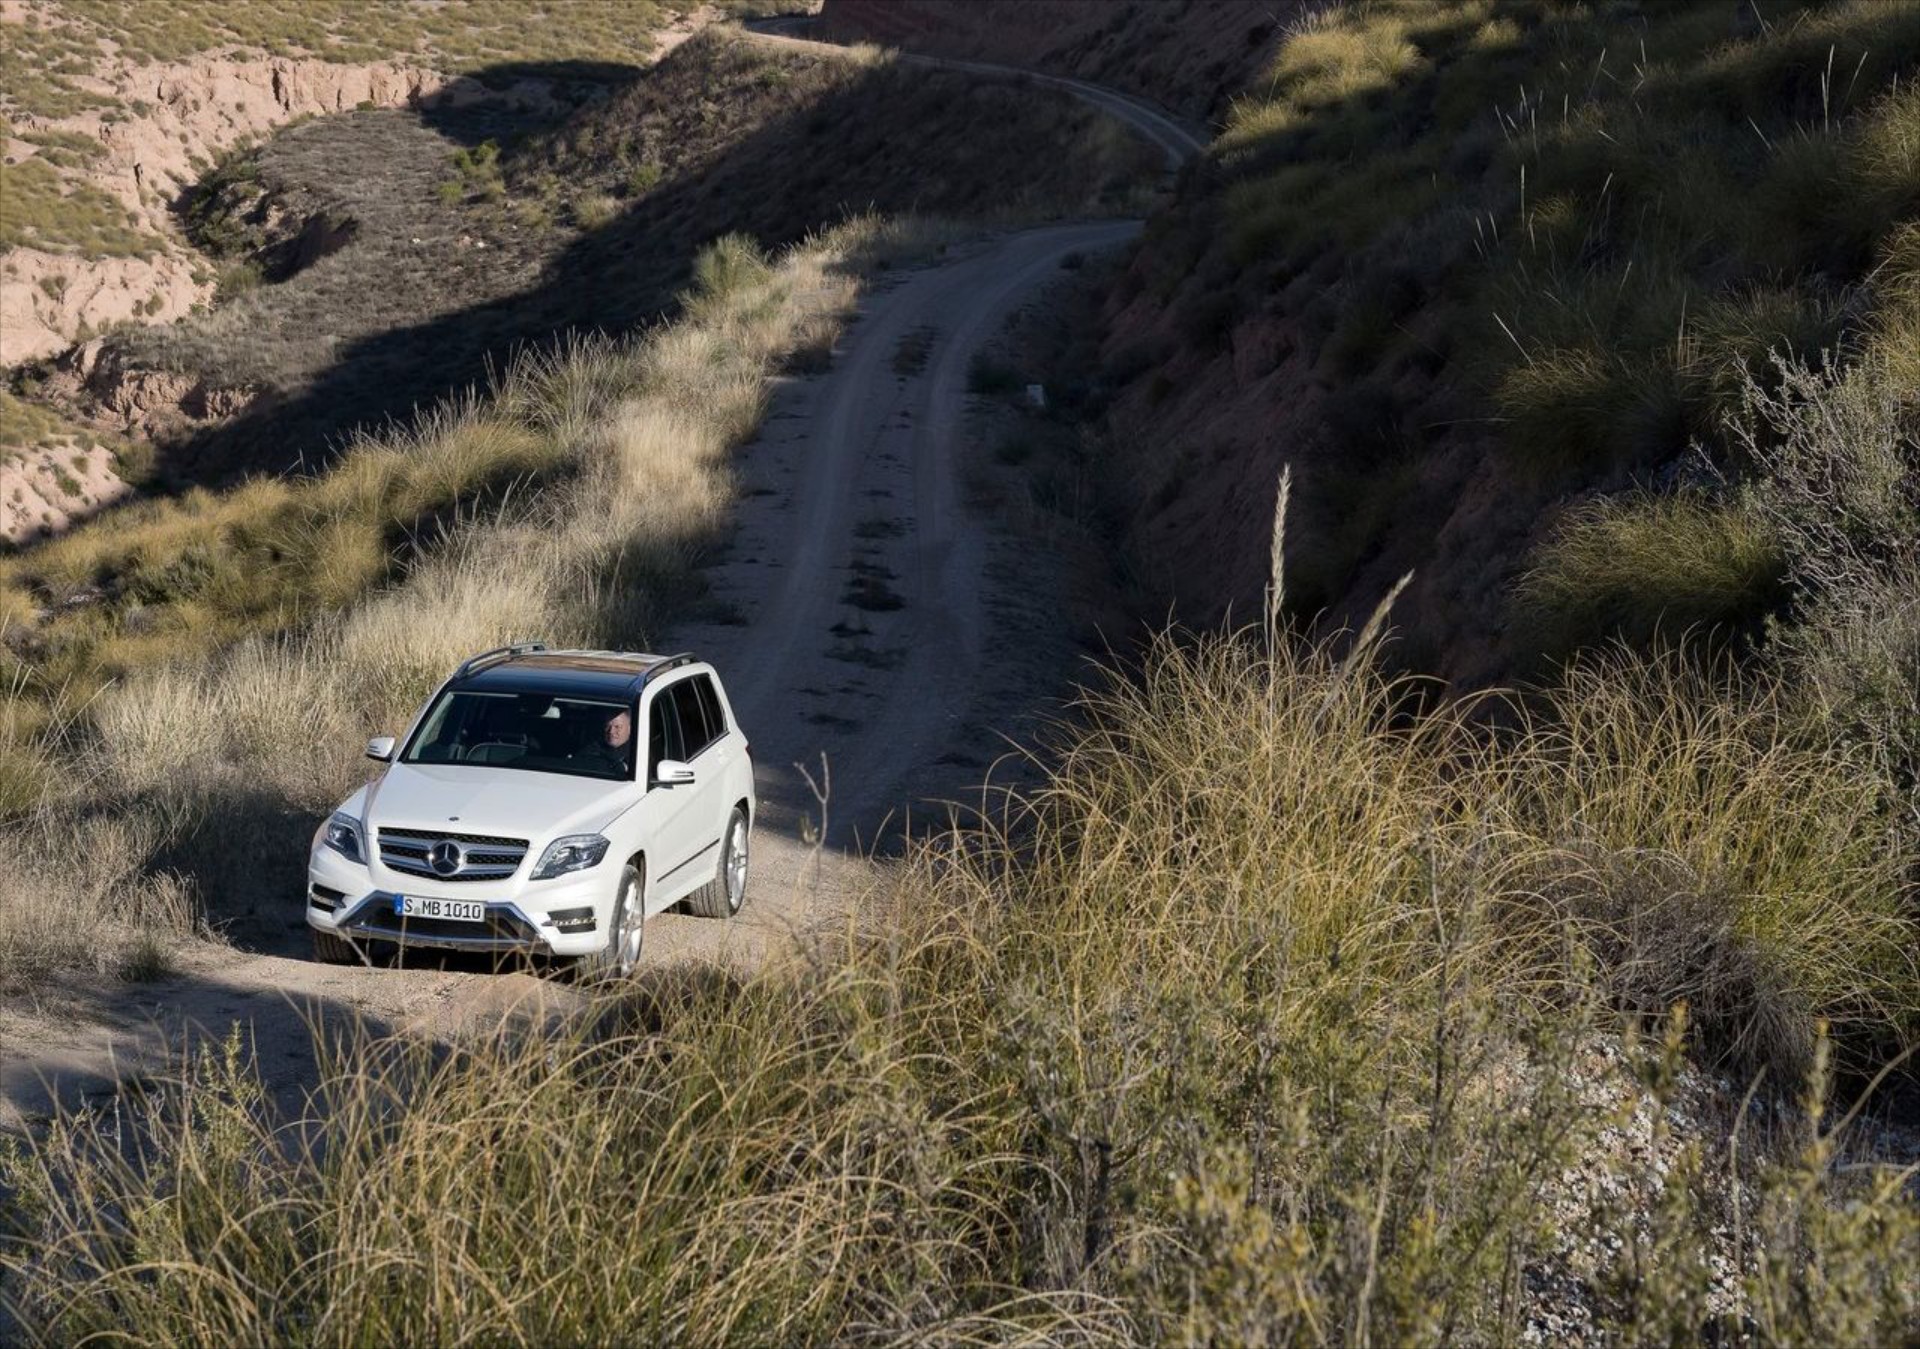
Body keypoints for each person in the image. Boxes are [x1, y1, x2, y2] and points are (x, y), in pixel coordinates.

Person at [575, 707, 634, 776]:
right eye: (607, 726)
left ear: (630, 729)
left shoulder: (637, 756)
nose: (611, 731)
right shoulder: (591, 750)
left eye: (617, 727)